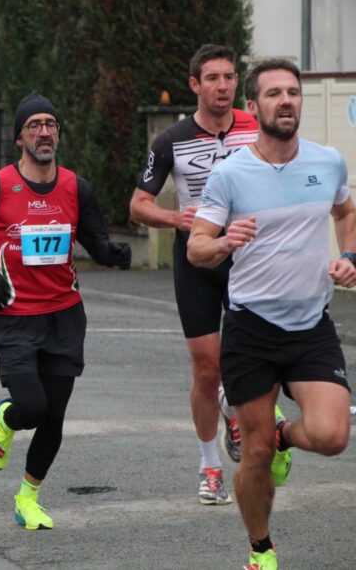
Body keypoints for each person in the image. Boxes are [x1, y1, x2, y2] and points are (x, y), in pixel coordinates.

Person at [188, 60, 354, 570]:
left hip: (311, 326)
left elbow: (345, 212)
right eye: (275, 93)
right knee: (255, 455)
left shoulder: (328, 162)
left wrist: (349, 257)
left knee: (331, 435)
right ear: (252, 106)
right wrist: (222, 241)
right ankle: (261, 549)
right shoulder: (231, 173)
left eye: (293, 92)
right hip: (251, 328)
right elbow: (196, 247)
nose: (287, 100)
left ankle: (285, 435)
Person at [0, 91, 131, 531]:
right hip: (14, 315)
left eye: (50, 124)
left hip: (65, 315)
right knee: (30, 406)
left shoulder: (74, 187)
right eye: (35, 125)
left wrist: (112, 253)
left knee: (54, 417)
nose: (44, 132)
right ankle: (5, 419)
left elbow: (93, 238)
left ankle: (28, 496)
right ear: (20, 138)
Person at [129, 44, 257, 504]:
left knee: (250, 359)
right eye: (213, 79)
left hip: (249, 258)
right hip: (198, 260)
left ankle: (235, 407)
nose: (222, 86)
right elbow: (138, 205)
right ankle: (210, 465)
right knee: (207, 369)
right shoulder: (170, 140)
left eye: (229, 77)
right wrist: (178, 219)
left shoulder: (255, 128)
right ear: (195, 85)